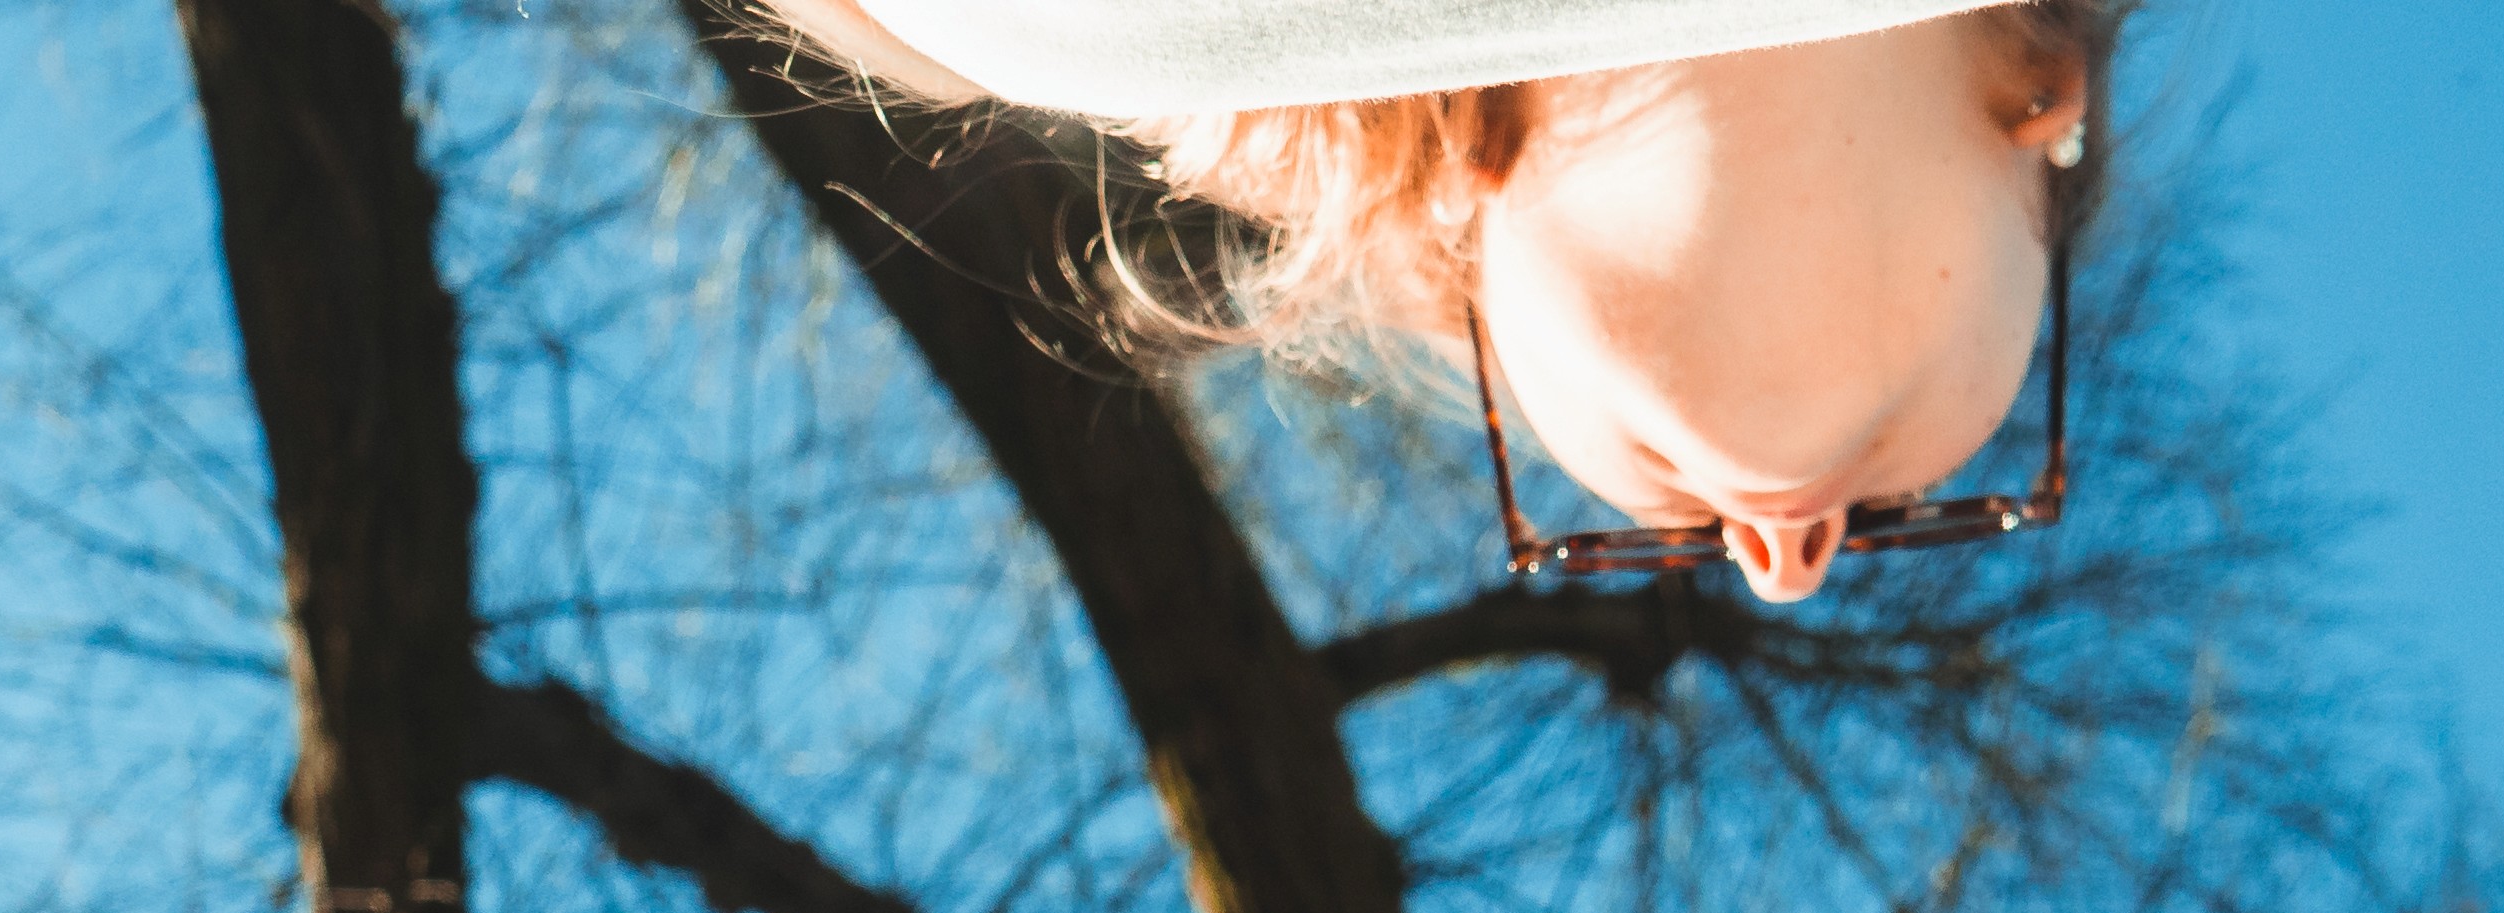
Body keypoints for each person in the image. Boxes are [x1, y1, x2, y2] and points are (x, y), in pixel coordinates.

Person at [754, 1, 2110, 600]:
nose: (1784, 572)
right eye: (1898, 516)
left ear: (1467, 199)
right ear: (2047, 99)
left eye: (1665, 534)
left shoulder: (1050, 25)